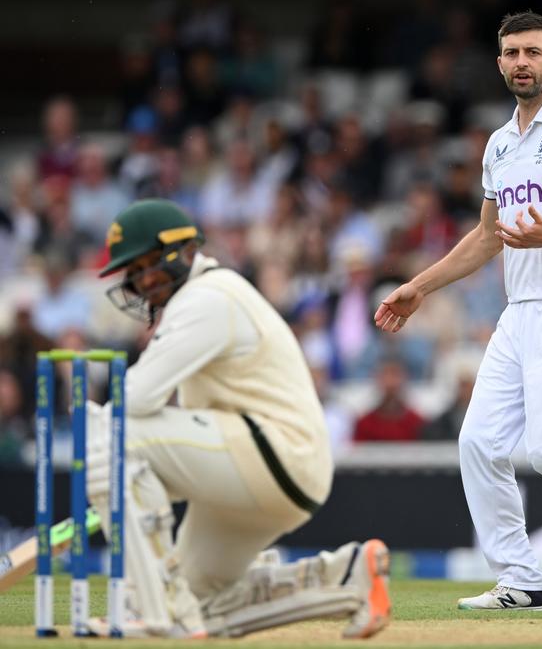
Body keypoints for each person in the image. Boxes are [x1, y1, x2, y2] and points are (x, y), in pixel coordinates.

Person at [375, 11, 542, 612]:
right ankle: (522, 581)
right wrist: (419, 286)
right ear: (498, 64)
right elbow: (486, 236)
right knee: (477, 444)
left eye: (532, 52)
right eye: (511, 53)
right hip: (519, 311)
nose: (521, 62)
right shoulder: (499, 143)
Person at [84, 199, 390, 638]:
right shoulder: (203, 297)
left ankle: (156, 611)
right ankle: (347, 578)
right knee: (203, 606)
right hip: (278, 469)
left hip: (274, 453)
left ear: (184, 251)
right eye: (134, 273)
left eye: (149, 265)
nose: (142, 281)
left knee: (108, 437)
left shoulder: (208, 297)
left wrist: (93, 457)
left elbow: (135, 400)